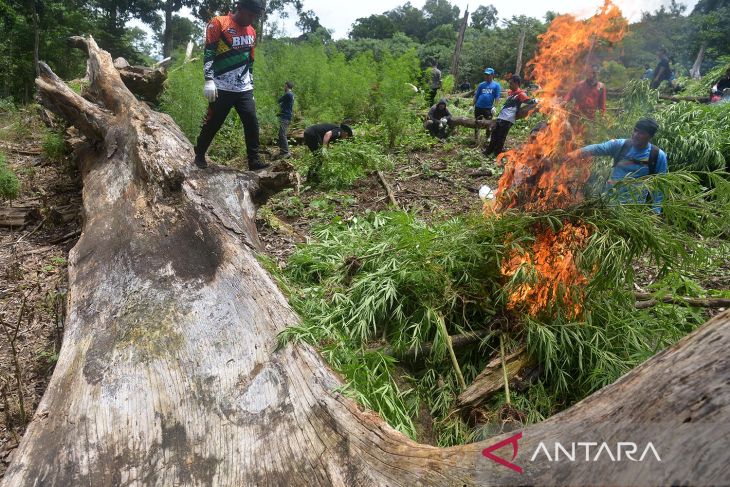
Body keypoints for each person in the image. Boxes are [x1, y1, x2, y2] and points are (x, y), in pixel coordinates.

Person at [194, 0, 267, 170]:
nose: (251, 19)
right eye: (250, 14)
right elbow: (209, 52)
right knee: (214, 122)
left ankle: (254, 161)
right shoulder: (219, 23)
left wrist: (252, 85)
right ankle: (199, 153)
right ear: (239, 8)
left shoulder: (252, 31)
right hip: (221, 86)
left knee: (252, 122)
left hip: (244, 88)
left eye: (255, 17)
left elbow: (250, 60)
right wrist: (208, 80)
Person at [575, 118, 668, 214]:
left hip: (633, 210)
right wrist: (574, 154)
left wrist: (655, 211)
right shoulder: (621, 145)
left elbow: (661, 186)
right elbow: (598, 148)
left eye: (641, 133)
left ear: (650, 136)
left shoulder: (657, 155)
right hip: (607, 203)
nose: (636, 135)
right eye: (635, 130)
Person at [483, 75, 531, 157]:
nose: (509, 85)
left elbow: (528, 101)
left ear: (516, 83)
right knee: (494, 135)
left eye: (511, 83)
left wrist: (538, 101)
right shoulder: (510, 92)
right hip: (501, 117)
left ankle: (497, 154)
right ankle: (488, 151)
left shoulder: (521, 94)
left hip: (508, 119)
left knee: (501, 137)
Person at [473, 67, 501, 142]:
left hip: (488, 108)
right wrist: (472, 105)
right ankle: (476, 137)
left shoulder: (496, 85)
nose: (487, 76)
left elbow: (497, 97)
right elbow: (476, 96)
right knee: (477, 122)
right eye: (486, 75)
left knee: (488, 123)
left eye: (488, 75)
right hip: (478, 106)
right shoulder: (481, 85)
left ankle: (487, 137)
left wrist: (495, 107)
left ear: (492, 75)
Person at [277, 81, 294, 158]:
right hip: (284, 116)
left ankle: (286, 152)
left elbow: (279, 100)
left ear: (287, 86)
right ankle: (282, 152)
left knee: (282, 134)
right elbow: (283, 105)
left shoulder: (288, 94)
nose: (284, 87)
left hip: (285, 117)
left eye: (284, 86)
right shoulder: (289, 95)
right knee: (281, 134)